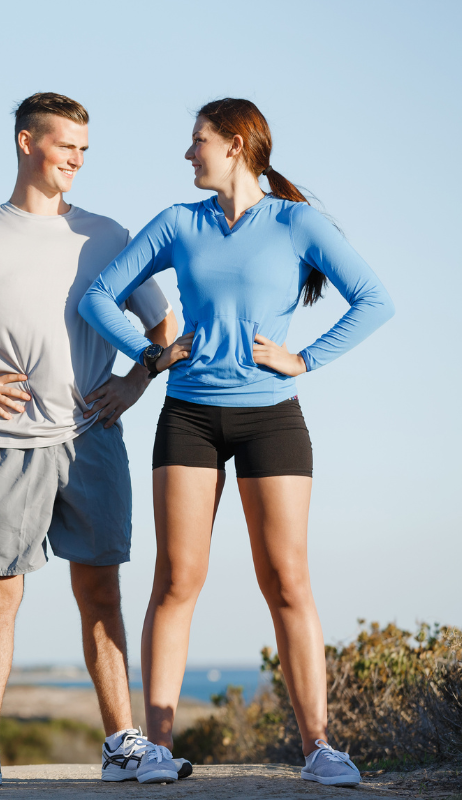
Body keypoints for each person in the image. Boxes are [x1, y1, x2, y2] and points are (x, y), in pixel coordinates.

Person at [79, 98, 394, 788]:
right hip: (189, 415)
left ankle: (319, 748)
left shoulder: (297, 223)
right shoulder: (178, 222)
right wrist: (152, 356)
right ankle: (156, 750)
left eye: (198, 142)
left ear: (238, 144)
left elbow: (374, 300)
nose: (188, 154)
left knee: (287, 581)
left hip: (271, 418)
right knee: (177, 580)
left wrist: (304, 359)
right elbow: (98, 296)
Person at [0, 92, 187, 791]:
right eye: (64, 146)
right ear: (26, 143)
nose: (76, 160)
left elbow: (165, 332)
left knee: (101, 595)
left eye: (85, 150)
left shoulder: (109, 236)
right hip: (5, 442)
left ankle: (122, 746)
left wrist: (136, 382)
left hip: (92, 439)